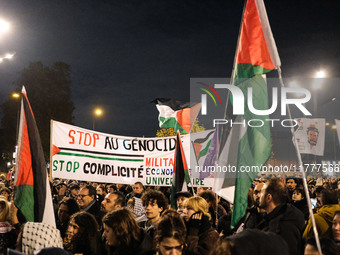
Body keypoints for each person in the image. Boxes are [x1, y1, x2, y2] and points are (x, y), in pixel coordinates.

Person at [257, 178, 305, 255]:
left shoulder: (283, 227)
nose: (258, 195)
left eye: (261, 192)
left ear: (269, 197)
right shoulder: (285, 214)